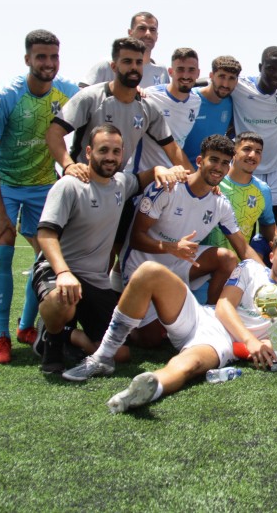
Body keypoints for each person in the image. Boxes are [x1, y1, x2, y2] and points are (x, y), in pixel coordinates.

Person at [61, 233, 277, 412]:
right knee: (150, 272)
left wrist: (274, 345)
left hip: (222, 343)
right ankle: (103, 357)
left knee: (189, 365)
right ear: (271, 256)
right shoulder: (250, 268)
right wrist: (251, 340)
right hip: (203, 317)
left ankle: (147, 390)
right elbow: (224, 306)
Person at [33, 125, 187, 374]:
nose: (110, 157)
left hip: (96, 281)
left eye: (116, 151)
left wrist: (161, 169)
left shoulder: (120, 184)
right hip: (59, 271)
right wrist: (63, 273)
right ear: (89, 152)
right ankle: (51, 341)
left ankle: (72, 335)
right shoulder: (69, 186)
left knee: (121, 353)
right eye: (103, 150)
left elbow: (142, 178)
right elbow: (46, 234)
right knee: (63, 301)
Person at [0, 29, 79, 363]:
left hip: (43, 186)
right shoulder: (3, 96)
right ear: (28, 60)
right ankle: (3, 338)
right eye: (41, 57)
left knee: (44, 258)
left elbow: (99, 99)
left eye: (53, 57)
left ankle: (25, 326)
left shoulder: (66, 92)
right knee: (3, 252)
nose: (48, 63)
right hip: (5, 185)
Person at [121, 134, 262, 309]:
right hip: (143, 265)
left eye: (225, 163)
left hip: (179, 264)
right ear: (199, 160)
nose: (218, 167)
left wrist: (269, 279)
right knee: (153, 336)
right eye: (214, 160)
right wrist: (170, 247)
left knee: (227, 258)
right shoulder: (168, 187)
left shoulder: (220, 203)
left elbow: (244, 248)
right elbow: (135, 238)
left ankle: (213, 316)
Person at [46, 37, 189, 176]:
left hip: (116, 189)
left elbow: (173, 149)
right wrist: (69, 166)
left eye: (138, 62)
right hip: (82, 183)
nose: (134, 67)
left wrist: (198, 185)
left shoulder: (148, 108)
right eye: (127, 61)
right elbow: (54, 133)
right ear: (114, 67)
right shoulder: (91, 97)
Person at [232, 46, 277, 217]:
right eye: (271, 69)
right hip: (245, 166)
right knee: (242, 218)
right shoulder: (239, 86)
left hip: (276, 170)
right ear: (260, 67)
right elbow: (209, 81)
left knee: (273, 220)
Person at [201, 132, 276, 257]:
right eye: (247, 149)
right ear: (234, 153)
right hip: (201, 262)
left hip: (238, 267)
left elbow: (268, 226)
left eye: (258, 151)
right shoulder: (214, 179)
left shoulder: (263, 190)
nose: (253, 155)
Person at [135, 47, 202, 171]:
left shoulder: (196, 101)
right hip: (143, 174)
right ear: (170, 72)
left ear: (198, 73)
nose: (186, 75)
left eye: (191, 70)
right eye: (180, 69)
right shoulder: (150, 96)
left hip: (172, 176)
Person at [78, 11, 168, 89]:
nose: (148, 34)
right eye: (142, 28)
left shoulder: (161, 71)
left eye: (152, 30)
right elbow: (81, 94)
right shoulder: (107, 65)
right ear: (130, 32)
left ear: (157, 36)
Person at [182, 55, 241, 164]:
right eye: (221, 76)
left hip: (209, 174)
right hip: (180, 172)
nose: (225, 84)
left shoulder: (231, 103)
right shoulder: (188, 98)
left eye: (231, 78)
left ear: (237, 81)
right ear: (211, 76)